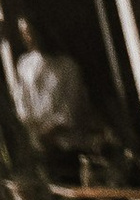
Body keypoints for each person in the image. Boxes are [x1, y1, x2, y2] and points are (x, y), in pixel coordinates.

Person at [12, 16, 94, 163]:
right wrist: (32, 131)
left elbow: (69, 109)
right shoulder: (25, 64)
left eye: (32, 32)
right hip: (37, 145)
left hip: (66, 145)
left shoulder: (67, 66)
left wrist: (49, 131)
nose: (29, 37)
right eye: (24, 33)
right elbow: (21, 102)